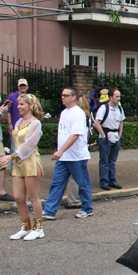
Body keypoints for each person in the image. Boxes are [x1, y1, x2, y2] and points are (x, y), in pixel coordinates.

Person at [0, 93, 45, 239]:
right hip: (18, 163)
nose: (18, 107)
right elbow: (18, 143)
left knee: (33, 197)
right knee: (18, 197)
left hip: (30, 161)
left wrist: (11, 156)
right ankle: (25, 226)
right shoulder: (18, 123)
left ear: (31, 106)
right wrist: (9, 153)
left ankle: (38, 228)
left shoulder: (36, 123)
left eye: (22, 104)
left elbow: (29, 145)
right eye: (18, 104)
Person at [41, 88, 94, 220]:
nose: (63, 97)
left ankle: (87, 208)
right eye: (62, 95)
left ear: (74, 97)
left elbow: (75, 135)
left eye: (66, 95)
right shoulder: (64, 112)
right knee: (57, 183)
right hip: (64, 156)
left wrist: (60, 151)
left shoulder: (78, 113)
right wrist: (61, 151)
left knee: (82, 183)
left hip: (76, 156)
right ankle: (49, 210)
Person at [94, 88, 125, 191]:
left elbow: (121, 122)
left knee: (112, 161)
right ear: (110, 97)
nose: (118, 98)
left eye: (119, 96)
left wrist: (119, 135)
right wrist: (103, 135)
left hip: (115, 137)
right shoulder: (104, 108)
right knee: (104, 161)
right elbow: (97, 123)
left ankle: (112, 180)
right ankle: (104, 181)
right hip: (106, 137)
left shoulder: (120, 109)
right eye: (117, 96)